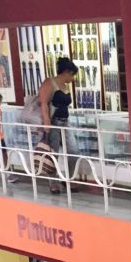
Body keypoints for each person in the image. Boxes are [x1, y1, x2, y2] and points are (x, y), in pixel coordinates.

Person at [37, 58, 78, 194]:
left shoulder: (65, 85)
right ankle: (53, 183)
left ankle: (69, 179)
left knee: (73, 151)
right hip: (53, 122)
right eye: (72, 75)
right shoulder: (50, 83)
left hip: (65, 122)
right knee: (53, 153)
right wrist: (46, 122)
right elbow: (43, 103)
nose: (72, 79)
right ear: (67, 72)